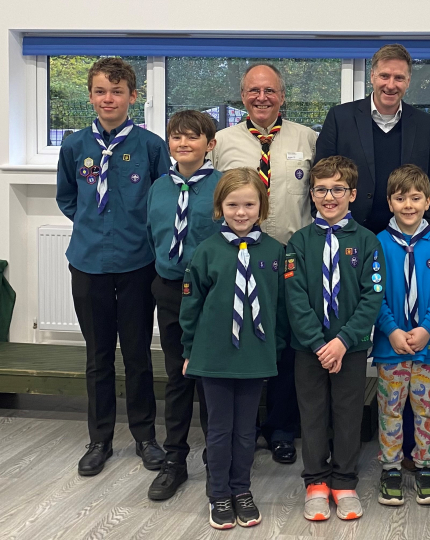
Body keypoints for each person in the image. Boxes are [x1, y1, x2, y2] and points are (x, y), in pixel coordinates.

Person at [56, 57, 170, 477]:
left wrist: (133, 232)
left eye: (117, 92)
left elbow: (162, 202)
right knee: (98, 354)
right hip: (87, 263)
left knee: (138, 352)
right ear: (91, 96)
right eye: (101, 91)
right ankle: (99, 438)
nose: (109, 98)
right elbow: (68, 198)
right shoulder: (74, 147)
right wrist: (93, 228)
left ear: (133, 97)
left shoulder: (151, 146)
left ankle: (144, 436)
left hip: (138, 264)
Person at [211, 63, 316, 464]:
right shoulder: (221, 142)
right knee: (242, 341)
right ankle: (244, 429)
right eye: (254, 91)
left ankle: (282, 429)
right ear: (243, 97)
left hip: (290, 261)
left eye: (270, 90)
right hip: (240, 259)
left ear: (282, 96)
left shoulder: (307, 138)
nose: (262, 98)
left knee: (288, 348)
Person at [180, 168, 288, 529]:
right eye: (232, 205)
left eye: (249, 204)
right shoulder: (207, 252)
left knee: (246, 431)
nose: (241, 213)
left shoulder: (275, 252)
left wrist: (278, 348)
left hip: (255, 356)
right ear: (219, 207)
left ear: (262, 207)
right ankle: (218, 494)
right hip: (214, 356)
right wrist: (188, 350)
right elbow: (190, 305)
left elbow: (280, 307)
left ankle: (242, 489)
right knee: (219, 429)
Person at [285, 156, 385, 522]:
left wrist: (343, 341)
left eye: (338, 190)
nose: (329, 196)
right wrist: (317, 342)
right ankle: (315, 482)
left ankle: (344, 481)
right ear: (311, 194)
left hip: (351, 347)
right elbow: (293, 297)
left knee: (347, 414)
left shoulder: (367, 242)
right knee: (311, 413)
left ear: (352, 194)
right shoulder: (298, 242)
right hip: (309, 348)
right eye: (321, 189)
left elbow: (372, 296)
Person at [145, 110, 221, 500]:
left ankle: (217, 460)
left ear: (210, 144)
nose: (183, 143)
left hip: (211, 296)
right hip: (170, 291)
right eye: (176, 137)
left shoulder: (223, 186)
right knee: (177, 377)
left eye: (193, 137)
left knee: (210, 379)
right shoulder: (159, 187)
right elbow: (152, 235)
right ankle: (175, 459)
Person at [373, 164, 430, 506]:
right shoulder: (377, 243)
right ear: (390, 202)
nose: (408, 205)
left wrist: (425, 330)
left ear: (428, 201)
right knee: (390, 409)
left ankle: (424, 466)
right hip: (390, 347)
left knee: (426, 410)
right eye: (400, 198)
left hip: (429, 347)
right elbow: (372, 292)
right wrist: (391, 330)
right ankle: (391, 467)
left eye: (416, 198)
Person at [315, 44, 430, 233]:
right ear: (372, 77)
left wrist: (429, 229)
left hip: (407, 236)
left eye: (399, 78)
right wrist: (326, 226)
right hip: (348, 234)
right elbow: (320, 176)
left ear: (408, 81)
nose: (391, 85)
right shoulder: (339, 118)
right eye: (384, 76)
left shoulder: (425, 125)